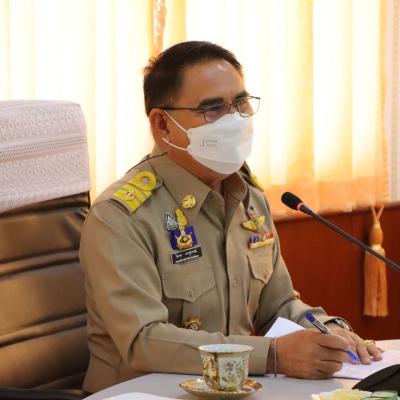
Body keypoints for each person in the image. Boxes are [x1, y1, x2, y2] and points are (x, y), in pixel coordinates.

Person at [79, 41, 382, 393]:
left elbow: (278, 305)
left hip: (229, 391)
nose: (235, 119)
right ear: (163, 125)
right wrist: (272, 356)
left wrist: (328, 330)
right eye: (213, 109)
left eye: (241, 103)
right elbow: (143, 341)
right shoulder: (120, 217)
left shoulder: (248, 198)